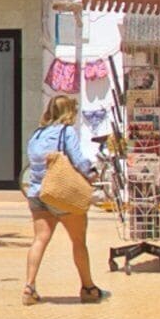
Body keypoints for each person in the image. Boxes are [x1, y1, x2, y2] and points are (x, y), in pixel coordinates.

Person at [20, 91, 107, 306]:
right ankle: (88, 288)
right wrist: (91, 173)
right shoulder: (66, 132)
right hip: (61, 195)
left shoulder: (37, 134)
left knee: (40, 239)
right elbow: (78, 160)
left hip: (38, 193)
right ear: (69, 112)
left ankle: (29, 287)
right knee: (78, 241)